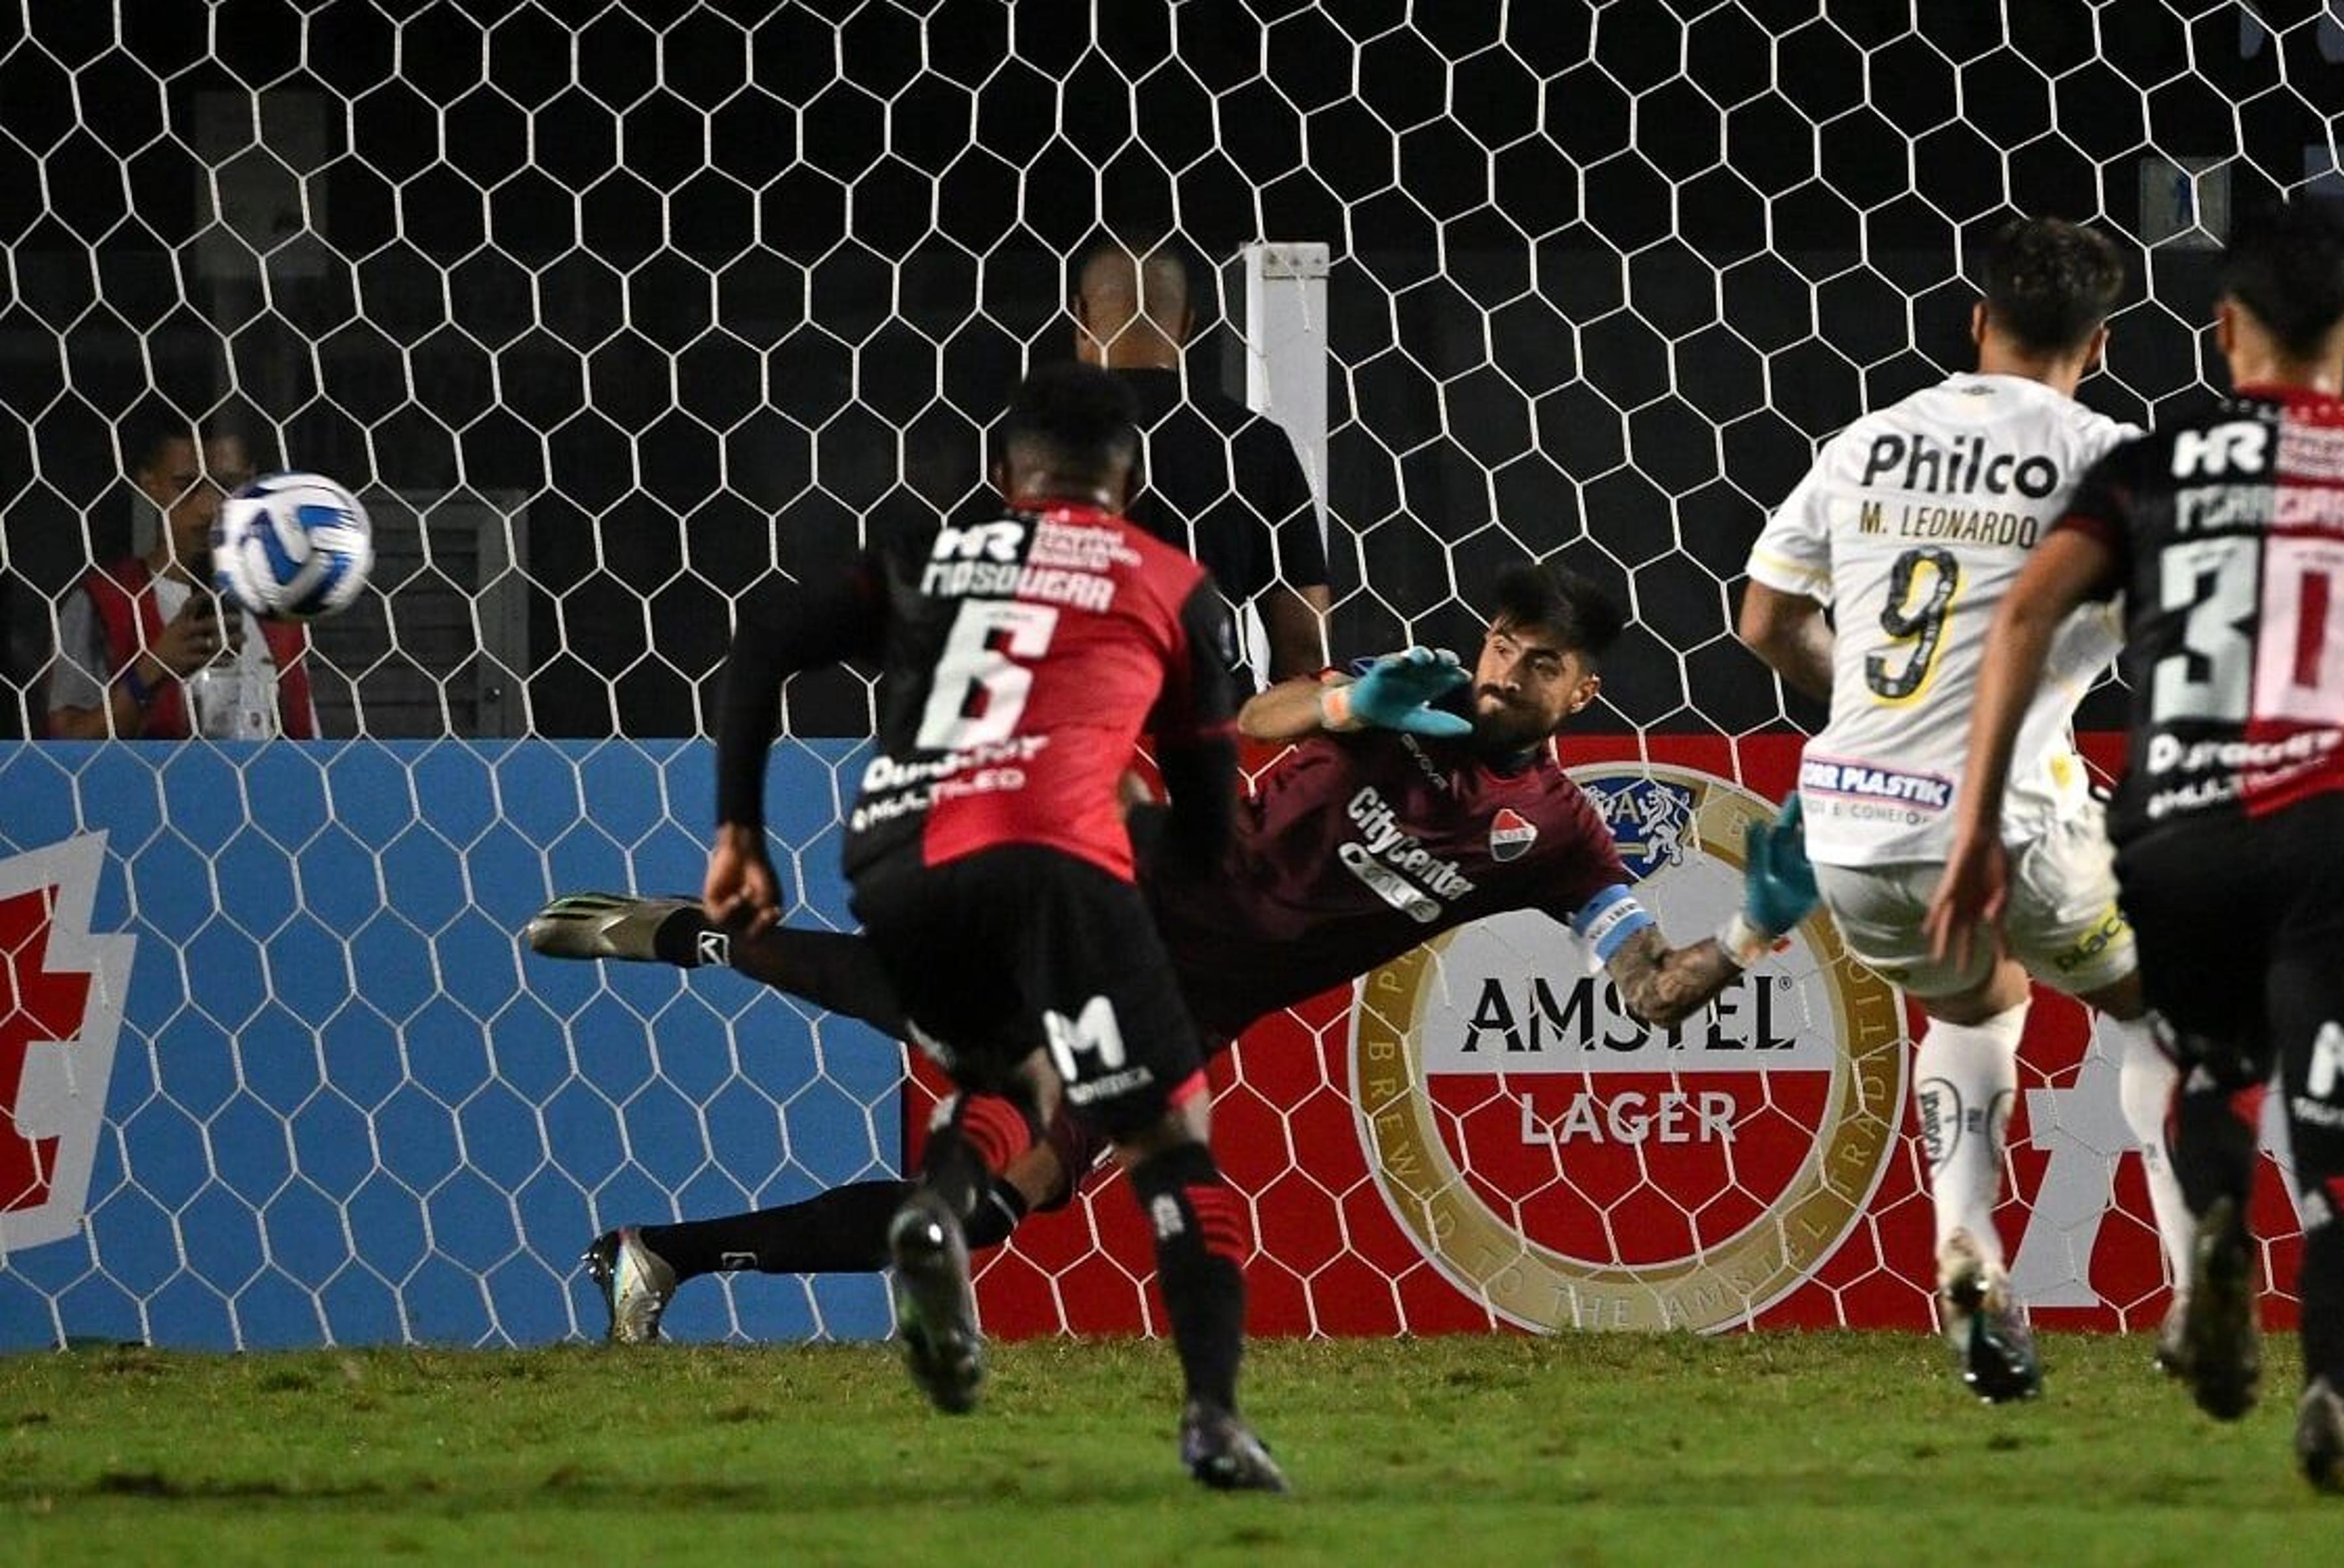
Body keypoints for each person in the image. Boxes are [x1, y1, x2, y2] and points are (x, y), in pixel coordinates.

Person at [532, 563, 1820, 1339]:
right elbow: (1253, 719)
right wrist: (1338, 699)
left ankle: (664, 1254)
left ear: (1579, 695)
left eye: (1539, 667)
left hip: (1178, 1019)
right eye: (1500, 646)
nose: (1502, 676)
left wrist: (1751, 930)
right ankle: (724, 938)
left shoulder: (1556, 838)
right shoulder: (1407, 696)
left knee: (977, 1213)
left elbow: (1647, 989)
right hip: (1126, 897)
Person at [1926, 196, 2344, 1497]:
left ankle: (2213, 1219)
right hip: (2338, 829)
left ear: (2223, 331)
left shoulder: (2149, 466)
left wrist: (1976, 816)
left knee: (2199, 1070)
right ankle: (2332, 1393)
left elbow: (2022, 625)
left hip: (2176, 822)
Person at [695, 362, 1281, 1490]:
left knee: (1011, 1076)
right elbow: (1210, 824)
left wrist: (740, 835)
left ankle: (938, 1213)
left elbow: (765, 639)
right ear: (1135, 478)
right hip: (1058, 856)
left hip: (896, 862)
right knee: (1169, 1135)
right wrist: (1168, 871)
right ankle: (1212, 1417)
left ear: (1001, 476)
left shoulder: (925, 554)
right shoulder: (1171, 581)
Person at [1738, 216, 2192, 1403]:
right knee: (2153, 1007)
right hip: (2014, 822)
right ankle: (2198, 1294)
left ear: (1976, 320)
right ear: (2098, 345)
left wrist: (1877, 715)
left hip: (1851, 822)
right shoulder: (2114, 458)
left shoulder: (1865, 444)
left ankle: (1964, 1244)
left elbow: (1764, 622)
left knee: (1980, 1003)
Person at [1072, 236, 1331, 691]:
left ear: (1080, 317)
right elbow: (1305, 647)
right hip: (1209, 737)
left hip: (1074, 736)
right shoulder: (1255, 443)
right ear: (1188, 326)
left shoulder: (1031, 446)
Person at [48, 414, 316, 741]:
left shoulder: (277, 606)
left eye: (227, 485)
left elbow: (309, 745)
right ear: (150, 484)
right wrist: (152, 670)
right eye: (186, 486)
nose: (208, 507)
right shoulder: (102, 602)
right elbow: (62, 749)